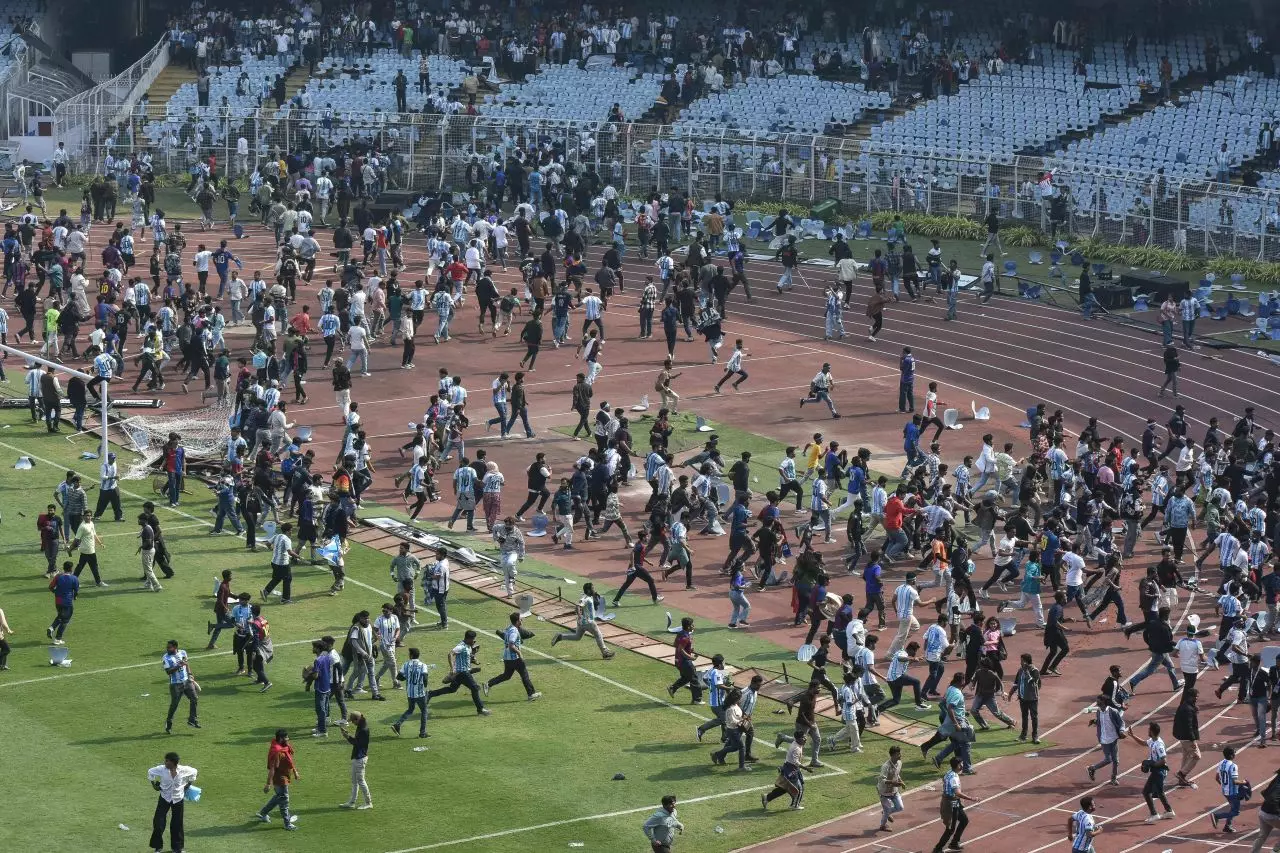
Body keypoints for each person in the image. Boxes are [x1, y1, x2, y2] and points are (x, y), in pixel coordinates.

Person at [147, 752, 197, 853]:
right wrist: (154, 784)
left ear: (173, 762)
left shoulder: (184, 770)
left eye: (167, 761)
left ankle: (177, 848)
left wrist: (189, 784)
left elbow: (194, 772)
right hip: (164, 798)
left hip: (178, 799)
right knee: (158, 823)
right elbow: (150, 772)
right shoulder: (161, 769)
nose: (165, 762)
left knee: (177, 824)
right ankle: (157, 847)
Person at [485, 612, 542, 700]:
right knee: (525, 675)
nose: (521, 620)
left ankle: (488, 684)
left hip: (507, 658)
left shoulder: (509, 628)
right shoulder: (514, 632)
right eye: (520, 619)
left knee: (506, 675)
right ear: (517, 621)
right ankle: (531, 694)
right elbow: (511, 645)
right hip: (515, 658)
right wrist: (519, 653)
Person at [551, 582, 615, 659]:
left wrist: (594, 596)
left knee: (577, 637)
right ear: (588, 590)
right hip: (588, 622)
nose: (594, 590)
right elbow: (578, 606)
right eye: (592, 588)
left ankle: (561, 636)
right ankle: (605, 652)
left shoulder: (587, 596)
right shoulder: (585, 598)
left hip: (581, 622)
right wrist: (579, 614)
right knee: (598, 635)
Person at [1128, 720, 1175, 823]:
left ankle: (1154, 814)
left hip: (1159, 771)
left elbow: (1163, 760)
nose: (1148, 731)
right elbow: (1144, 743)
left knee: (1146, 792)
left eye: (1149, 730)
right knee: (1159, 792)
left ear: (1152, 732)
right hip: (1157, 771)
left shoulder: (1159, 745)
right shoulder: (1152, 740)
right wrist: (1133, 735)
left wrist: (1152, 764)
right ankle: (1169, 811)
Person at [257, 729, 299, 829]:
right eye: (286, 737)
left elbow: (289, 760)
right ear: (281, 738)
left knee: (279, 797)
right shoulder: (276, 751)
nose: (288, 739)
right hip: (280, 779)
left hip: (284, 775)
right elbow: (272, 769)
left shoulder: (284, 747)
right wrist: (268, 784)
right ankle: (287, 823)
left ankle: (263, 813)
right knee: (284, 800)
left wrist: (295, 771)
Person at [933, 756, 977, 852]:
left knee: (964, 820)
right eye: (960, 764)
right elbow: (957, 793)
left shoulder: (949, 773)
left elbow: (944, 781)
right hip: (951, 803)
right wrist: (971, 798)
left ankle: (954, 842)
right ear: (957, 765)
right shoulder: (954, 777)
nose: (962, 765)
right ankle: (938, 848)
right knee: (950, 828)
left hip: (954, 801)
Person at [761, 731, 807, 810]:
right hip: (792, 770)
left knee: (785, 788)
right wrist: (806, 768)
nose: (805, 739)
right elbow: (796, 762)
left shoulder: (797, 743)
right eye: (803, 738)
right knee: (799, 788)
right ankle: (794, 805)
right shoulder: (796, 748)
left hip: (790, 768)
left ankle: (767, 798)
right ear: (798, 739)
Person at [391, 646, 430, 738]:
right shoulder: (423, 665)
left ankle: (397, 724)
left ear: (411, 655)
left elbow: (399, 677)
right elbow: (425, 678)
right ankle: (422, 733)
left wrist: (407, 678)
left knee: (410, 709)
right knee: (424, 711)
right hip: (420, 693)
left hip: (410, 693)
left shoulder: (406, 665)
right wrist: (425, 686)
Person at [162, 639, 200, 734]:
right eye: (167, 647)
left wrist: (190, 673)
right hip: (175, 684)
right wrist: (179, 665)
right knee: (174, 705)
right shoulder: (166, 658)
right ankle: (168, 724)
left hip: (187, 681)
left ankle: (192, 720)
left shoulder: (183, 652)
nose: (167, 649)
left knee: (194, 698)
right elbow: (168, 672)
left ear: (175, 647)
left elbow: (186, 664)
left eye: (169, 647)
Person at [339, 712, 373, 809]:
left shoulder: (363, 729)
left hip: (360, 758)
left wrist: (347, 736)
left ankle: (368, 803)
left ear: (357, 719)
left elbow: (357, 743)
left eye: (353, 721)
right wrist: (347, 735)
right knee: (354, 781)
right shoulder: (361, 725)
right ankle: (352, 802)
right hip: (357, 757)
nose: (353, 723)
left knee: (361, 781)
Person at [1211, 745, 1245, 833]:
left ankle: (1227, 826)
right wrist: (1244, 782)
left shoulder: (1221, 763)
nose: (1235, 754)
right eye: (1234, 753)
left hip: (1225, 791)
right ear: (1231, 755)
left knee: (1232, 808)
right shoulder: (1233, 766)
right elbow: (1235, 781)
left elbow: (1217, 778)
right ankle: (1217, 816)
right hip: (1232, 792)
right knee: (1235, 812)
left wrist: (1223, 786)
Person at [47, 560, 78, 644]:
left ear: (64, 568)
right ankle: (57, 638)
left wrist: (56, 592)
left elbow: (50, 587)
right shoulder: (74, 578)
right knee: (65, 620)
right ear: (71, 569)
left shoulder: (58, 576)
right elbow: (76, 590)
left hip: (58, 600)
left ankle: (51, 628)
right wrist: (75, 597)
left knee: (61, 616)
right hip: (67, 601)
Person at [876, 745, 905, 832]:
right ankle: (883, 825)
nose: (900, 755)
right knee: (887, 809)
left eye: (900, 753)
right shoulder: (886, 766)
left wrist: (901, 781)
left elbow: (897, 773)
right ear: (892, 755)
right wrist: (894, 783)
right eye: (898, 754)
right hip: (884, 792)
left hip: (894, 791)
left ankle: (886, 813)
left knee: (900, 807)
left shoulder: (899, 763)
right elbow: (882, 780)